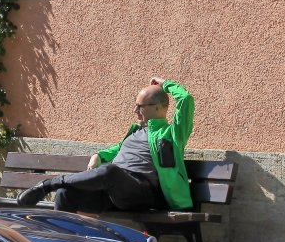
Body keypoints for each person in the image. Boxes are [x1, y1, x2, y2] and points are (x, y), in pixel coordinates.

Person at [17, 79, 195, 213]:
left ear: (158, 107)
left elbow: (186, 99)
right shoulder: (134, 132)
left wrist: (165, 84)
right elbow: (115, 150)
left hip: (141, 192)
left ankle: (48, 184)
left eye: (140, 106)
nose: (135, 111)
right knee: (65, 193)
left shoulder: (172, 134)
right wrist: (99, 155)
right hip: (112, 193)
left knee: (110, 171)